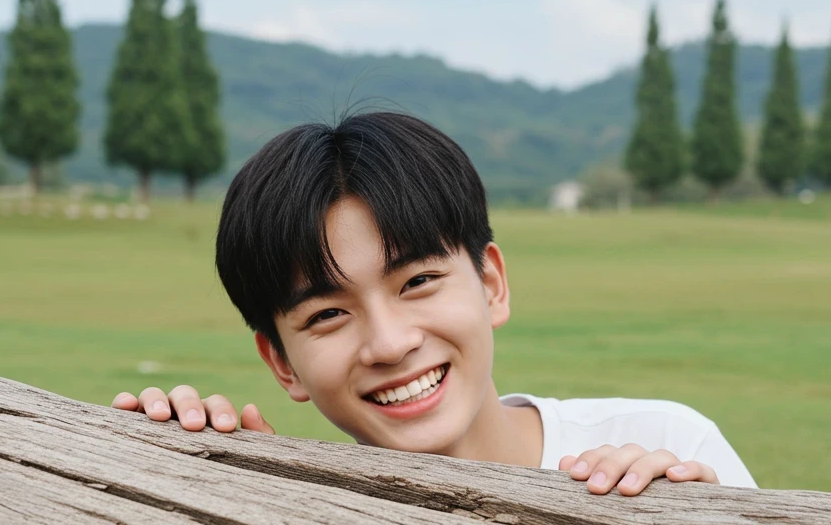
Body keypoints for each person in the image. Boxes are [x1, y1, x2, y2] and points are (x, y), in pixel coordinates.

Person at [112, 111, 757, 496]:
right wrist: (211, 484)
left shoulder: (665, 443)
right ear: (281, 363)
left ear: (491, 283)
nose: (390, 343)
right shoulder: (299, 505)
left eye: (418, 282)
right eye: (327, 314)